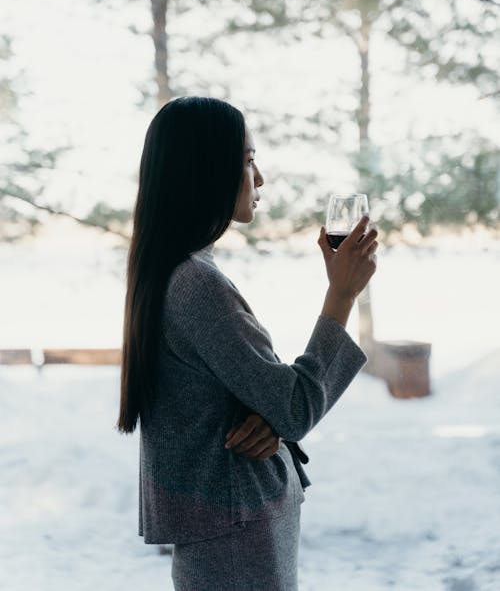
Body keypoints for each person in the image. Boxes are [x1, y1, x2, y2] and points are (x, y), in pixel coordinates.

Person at [117, 96, 378, 591]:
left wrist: (271, 421)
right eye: (248, 160)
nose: (259, 179)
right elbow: (297, 405)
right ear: (206, 169)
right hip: (235, 532)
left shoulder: (174, 272)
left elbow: (269, 404)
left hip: (228, 524)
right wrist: (341, 294)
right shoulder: (196, 284)